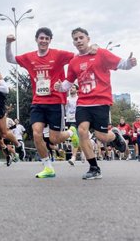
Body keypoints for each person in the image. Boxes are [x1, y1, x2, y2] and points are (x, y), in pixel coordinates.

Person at [55, 27, 135, 180]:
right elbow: (68, 82)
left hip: (101, 100)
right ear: (73, 42)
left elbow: (122, 64)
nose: (78, 41)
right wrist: (61, 87)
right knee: (82, 131)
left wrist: (130, 63)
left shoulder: (101, 53)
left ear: (88, 38)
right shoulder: (73, 62)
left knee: (101, 136)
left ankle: (115, 135)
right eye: (75, 39)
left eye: (81, 37)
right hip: (83, 102)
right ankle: (94, 167)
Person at [5, 28, 78, 178]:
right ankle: (48, 167)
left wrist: (66, 83)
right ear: (36, 39)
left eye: (46, 38)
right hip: (38, 101)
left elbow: (78, 58)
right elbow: (10, 59)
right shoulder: (30, 57)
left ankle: (71, 132)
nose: (43, 41)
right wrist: (8, 43)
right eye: (41, 38)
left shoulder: (58, 54)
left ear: (50, 40)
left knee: (54, 139)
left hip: (55, 101)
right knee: (36, 133)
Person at [65, 84, 81, 165]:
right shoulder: (67, 99)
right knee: (75, 139)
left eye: (73, 87)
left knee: (75, 137)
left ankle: (73, 157)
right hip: (69, 120)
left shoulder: (79, 98)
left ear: (77, 90)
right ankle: (79, 154)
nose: (71, 88)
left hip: (78, 120)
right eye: (70, 87)